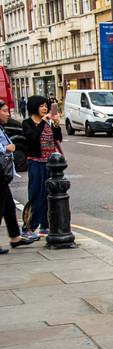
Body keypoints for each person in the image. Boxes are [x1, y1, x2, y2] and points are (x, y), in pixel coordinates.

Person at [0, 99, 39, 254]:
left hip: (3, 175)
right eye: (4, 111)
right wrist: (6, 147)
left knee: (9, 207)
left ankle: (15, 238)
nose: (7, 114)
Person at [22, 95, 63, 237]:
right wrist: (43, 122)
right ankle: (28, 228)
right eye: (41, 106)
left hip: (49, 164)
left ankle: (45, 226)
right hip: (36, 162)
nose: (45, 108)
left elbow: (58, 139)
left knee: (48, 195)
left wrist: (56, 125)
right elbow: (32, 137)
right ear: (34, 107)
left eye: (46, 106)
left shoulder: (48, 123)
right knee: (36, 195)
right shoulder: (27, 123)